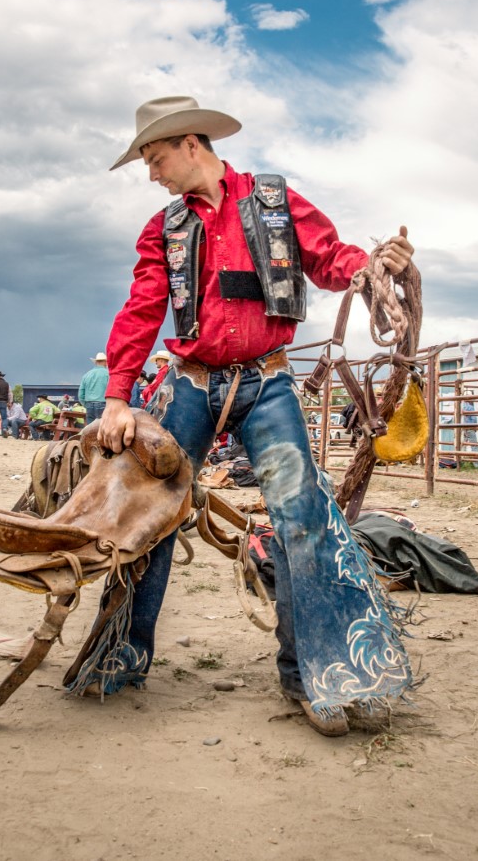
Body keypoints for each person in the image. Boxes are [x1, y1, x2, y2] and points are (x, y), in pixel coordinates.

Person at [86, 96, 415, 737]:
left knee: (302, 517)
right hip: (191, 382)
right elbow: (142, 307)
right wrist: (118, 395)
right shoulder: (163, 229)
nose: (152, 174)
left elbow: (327, 257)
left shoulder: (274, 200)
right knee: (145, 514)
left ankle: (317, 677)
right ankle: (118, 656)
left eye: (155, 159)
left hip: (267, 380)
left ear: (190, 144)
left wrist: (369, 270)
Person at [78, 352, 109, 422]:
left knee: (91, 430)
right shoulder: (108, 374)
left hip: (89, 404)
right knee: (103, 429)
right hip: (103, 403)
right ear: (105, 362)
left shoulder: (87, 375)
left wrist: (86, 404)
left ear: (96, 362)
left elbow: (81, 394)